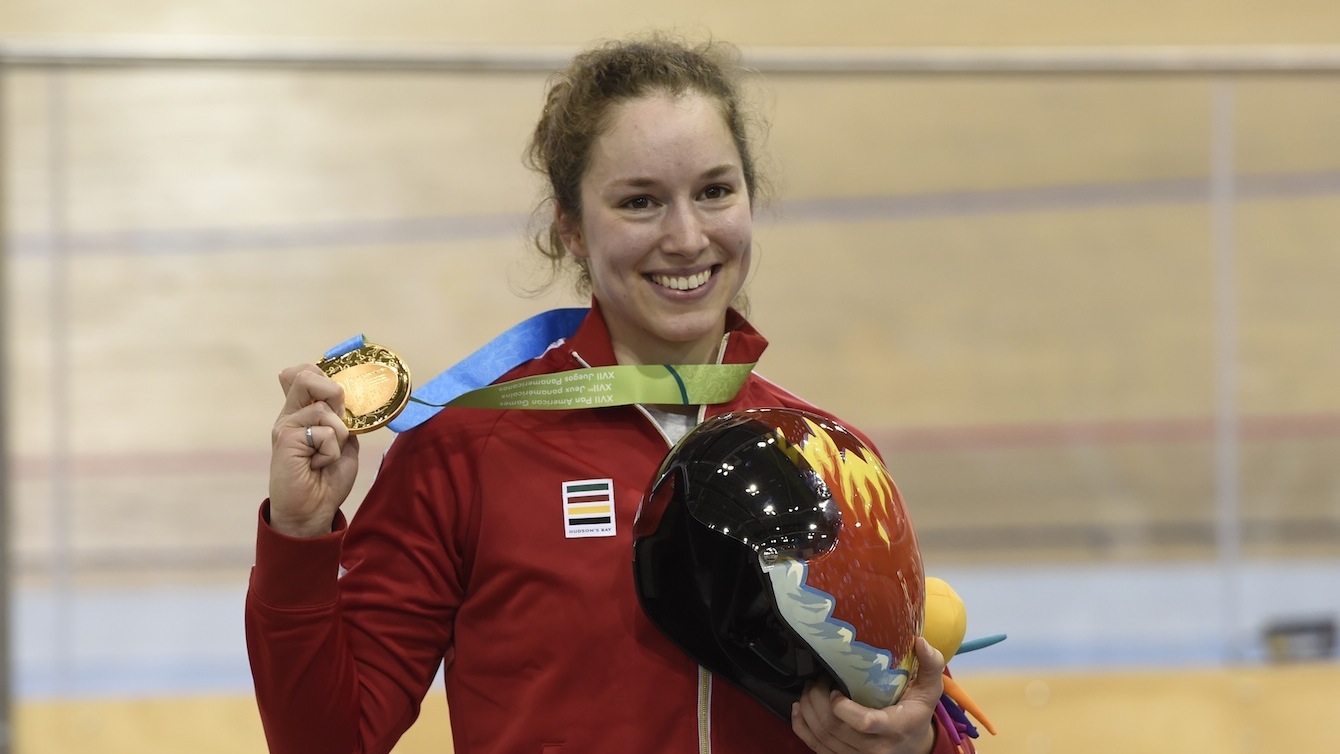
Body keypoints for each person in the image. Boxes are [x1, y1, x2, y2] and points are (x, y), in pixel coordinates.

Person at [248, 33, 967, 754]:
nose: (687, 238)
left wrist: (918, 745)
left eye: (715, 191)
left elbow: (901, 705)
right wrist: (299, 540)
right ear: (571, 229)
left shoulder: (828, 459)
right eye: (640, 202)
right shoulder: (461, 454)